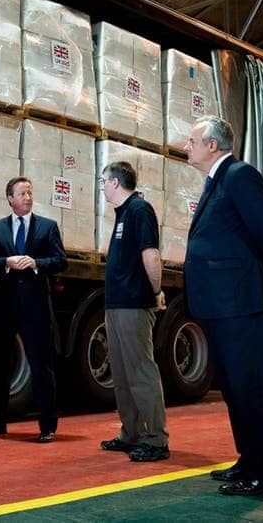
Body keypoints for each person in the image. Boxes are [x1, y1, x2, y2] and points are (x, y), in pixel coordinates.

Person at [183, 115, 263, 497]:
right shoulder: (217, 182)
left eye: (192, 140)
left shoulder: (239, 175)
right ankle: (248, 459)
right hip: (221, 303)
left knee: (249, 388)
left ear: (213, 144)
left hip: (239, 301)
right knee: (232, 387)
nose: (187, 146)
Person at [0, 177, 68, 443]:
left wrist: (36, 263)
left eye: (30, 192)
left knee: (41, 364)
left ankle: (47, 425)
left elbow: (61, 261)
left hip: (36, 306)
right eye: (22, 193)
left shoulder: (47, 228)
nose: (27, 197)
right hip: (4, 306)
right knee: (0, 364)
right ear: (10, 198)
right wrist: (7, 262)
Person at [98, 161, 170, 462]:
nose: (102, 186)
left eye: (103, 181)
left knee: (141, 371)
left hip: (133, 304)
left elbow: (150, 255)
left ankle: (156, 439)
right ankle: (131, 433)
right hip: (115, 305)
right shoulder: (123, 213)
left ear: (115, 183)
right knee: (123, 374)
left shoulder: (140, 210)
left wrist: (155, 292)